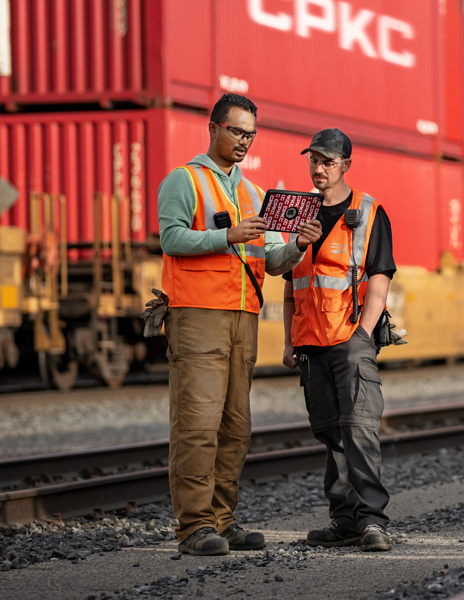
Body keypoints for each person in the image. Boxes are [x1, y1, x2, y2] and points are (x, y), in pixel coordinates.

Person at [157, 93, 322, 556]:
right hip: (198, 316)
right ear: (213, 128)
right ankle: (194, 527)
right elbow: (170, 238)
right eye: (236, 131)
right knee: (197, 424)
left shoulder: (253, 193)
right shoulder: (183, 180)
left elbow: (271, 261)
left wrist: (298, 247)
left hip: (243, 318)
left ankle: (223, 522)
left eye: (251, 134)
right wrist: (226, 235)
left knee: (235, 426)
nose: (244, 141)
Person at [281, 128, 396, 552]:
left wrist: (361, 337)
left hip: (349, 339)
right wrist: (290, 343)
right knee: (331, 435)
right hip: (310, 344)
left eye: (328, 161)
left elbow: (379, 280)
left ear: (346, 164)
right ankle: (344, 520)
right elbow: (292, 281)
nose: (318, 168)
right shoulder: (298, 212)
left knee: (359, 432)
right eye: (313, 160)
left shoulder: (369, 211)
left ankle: (372, 522)